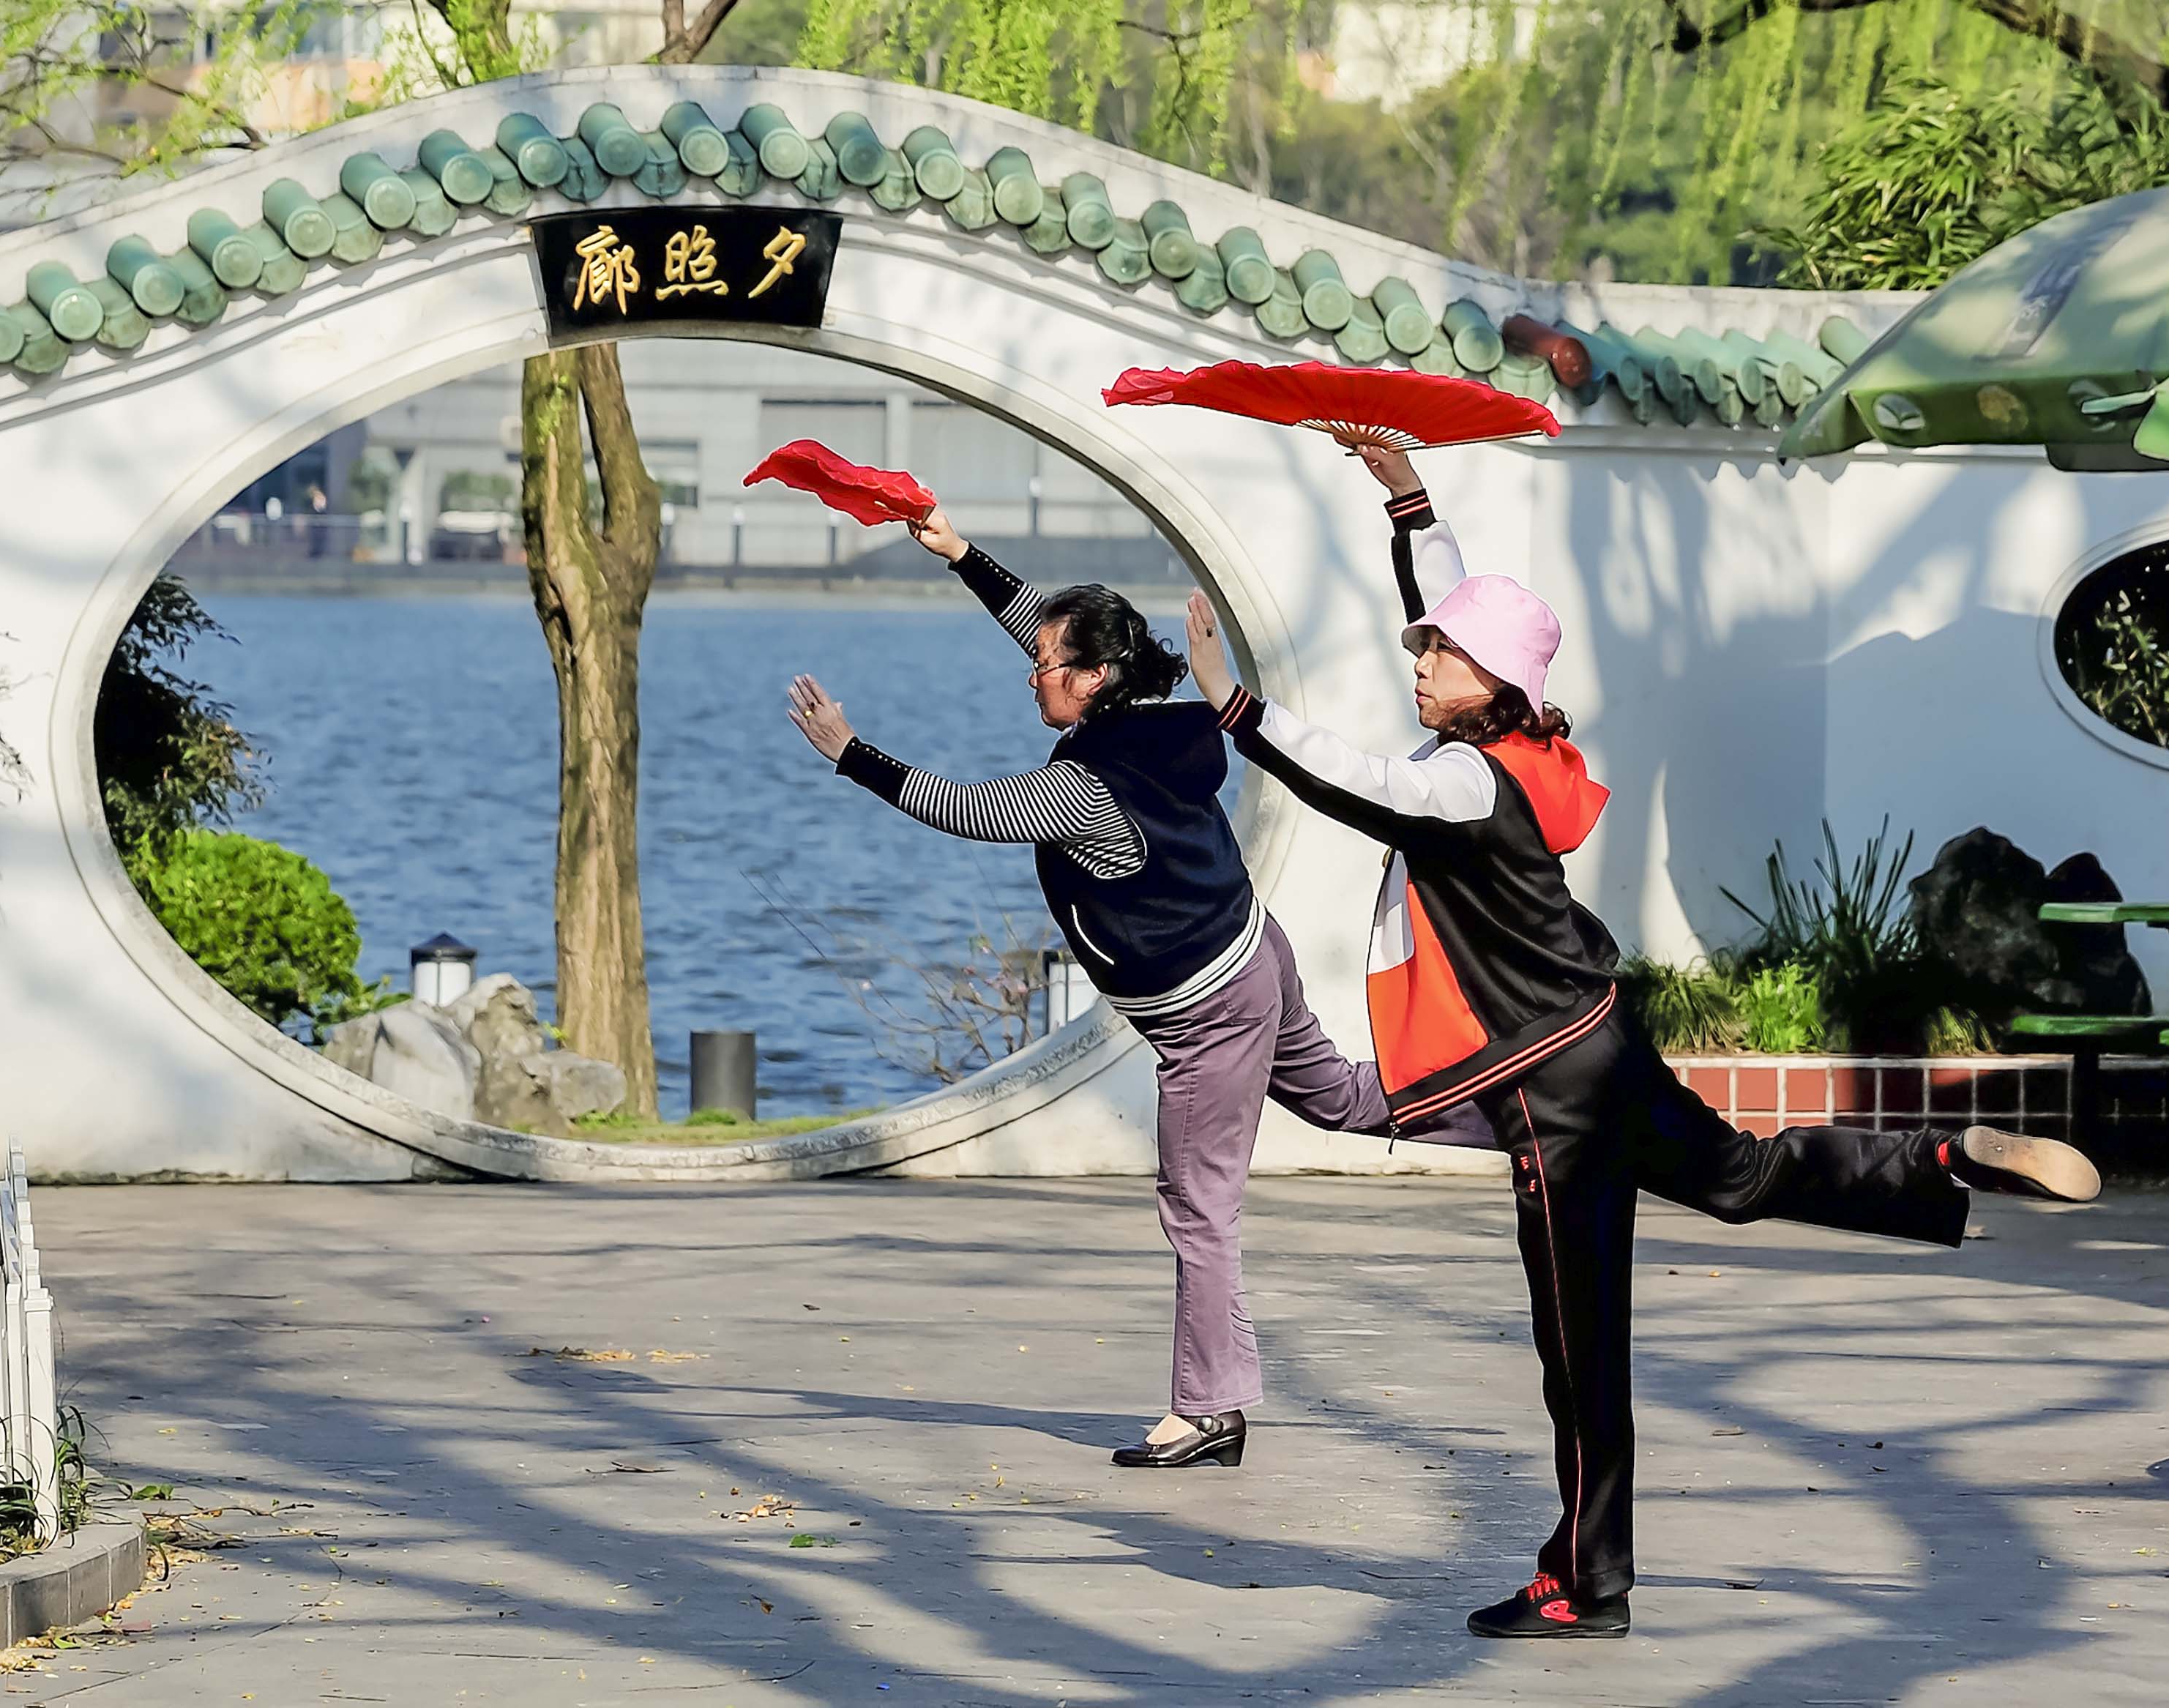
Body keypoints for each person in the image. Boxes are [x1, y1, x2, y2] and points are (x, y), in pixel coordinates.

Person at [1180, 441, 2102, 1640]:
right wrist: (1407, 499)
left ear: (1488, 684)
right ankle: (1941, 1160)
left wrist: (1237, 707)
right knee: (1746, 1176)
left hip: (1549, 1094)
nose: (1420, 660)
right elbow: (1461, 609)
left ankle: (1585, 1581)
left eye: (1439, 655)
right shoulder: (1527, 753)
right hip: (1607, 1041)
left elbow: (1352, 780)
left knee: (1581, 1350)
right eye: (1424, 647)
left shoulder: (1463, 784)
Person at [784, 501, 1460, 1471]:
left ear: (1094, 678)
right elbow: (1046, 625)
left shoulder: (1088, 788)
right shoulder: (1156, 722)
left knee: (1197, 1206)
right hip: (1252, 954)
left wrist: (852, 754)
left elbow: (966, 807)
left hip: (1208, 1014)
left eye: (1047, 667)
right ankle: (1515, 1107)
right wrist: (959, 553)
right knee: (1345, 1099)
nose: (1032, 673)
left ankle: (1209, 1410)